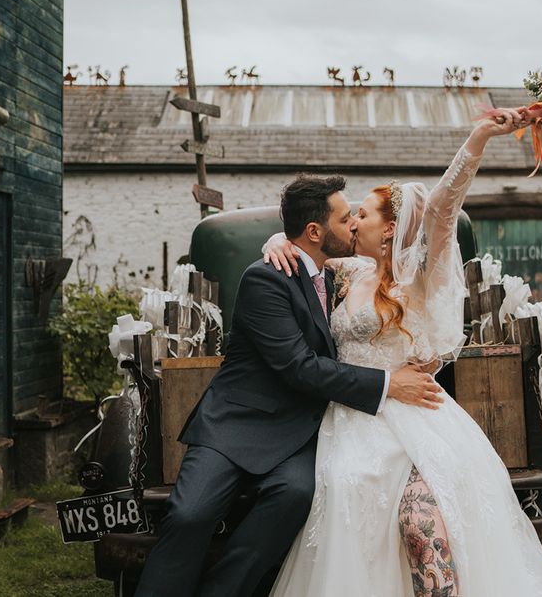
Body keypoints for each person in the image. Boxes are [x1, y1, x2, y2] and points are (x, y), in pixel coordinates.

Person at [264, 107, 542, 596]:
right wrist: (279, 239)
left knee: (421, 524)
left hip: (416, 419)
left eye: (360, 213)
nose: (351, 222)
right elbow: (304, 238)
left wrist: (480, 136)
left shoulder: (415, 278)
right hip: (353, 419)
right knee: (349, 501)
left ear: (389, 229)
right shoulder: (346, 273)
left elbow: (445, 205)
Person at [135, 176, 442, 597]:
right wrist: (389, 383)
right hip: (237, 425)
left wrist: (279, 236)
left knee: (297, 494)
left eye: (356, 215)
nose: (353, 224)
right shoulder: (267, 279)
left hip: (299, 433)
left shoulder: (342, 273)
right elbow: (300, 367)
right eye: (345, 217)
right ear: (315, 232)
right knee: (190, 513)